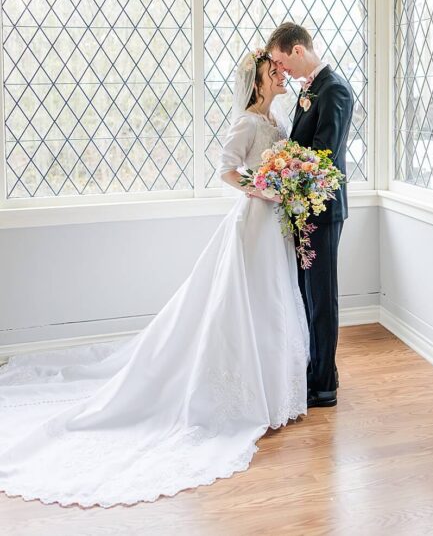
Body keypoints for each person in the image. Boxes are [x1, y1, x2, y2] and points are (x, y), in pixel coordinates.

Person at [0, 49, 309, 507]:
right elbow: (226, 169)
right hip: (253, 223)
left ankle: (273, 393)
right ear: (258, 81)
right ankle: (244, 397)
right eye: (274, 72)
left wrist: (287, 187)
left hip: (274, 229)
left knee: (273, 302)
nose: (281, 76)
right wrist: (261, 189)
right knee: (249, 302)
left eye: (282, 70)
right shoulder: (247, 122)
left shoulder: (278, 120)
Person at [267, 22, 353, 409]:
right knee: (306, 293)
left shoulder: (333, 90)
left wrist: (279, 167)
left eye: (283, 61)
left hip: (322, 207)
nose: (282, 71)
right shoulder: (310, 89)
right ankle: (316, 370)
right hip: (305, 207)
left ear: (298, 50)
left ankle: (324, 383)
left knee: (321, 294)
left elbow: (324, 157)